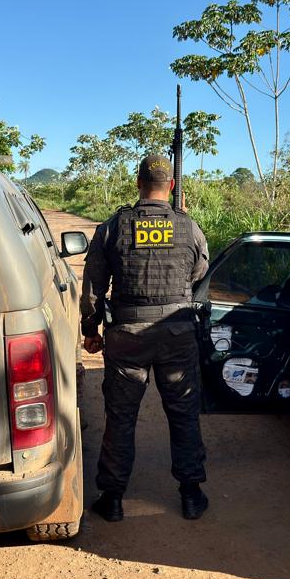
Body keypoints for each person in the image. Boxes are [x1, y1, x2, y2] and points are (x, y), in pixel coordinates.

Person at [80, 153, 211, 522]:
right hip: (177, 334)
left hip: (128, 336)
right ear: (171, 186)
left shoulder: (114, 225)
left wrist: (90, 331)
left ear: (137, 183)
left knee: (120, 416)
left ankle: (114, 498)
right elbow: (199, 272)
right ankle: (190, 494)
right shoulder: (189, 226)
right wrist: (180, 224)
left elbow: (92, 287)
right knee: (183, 414)